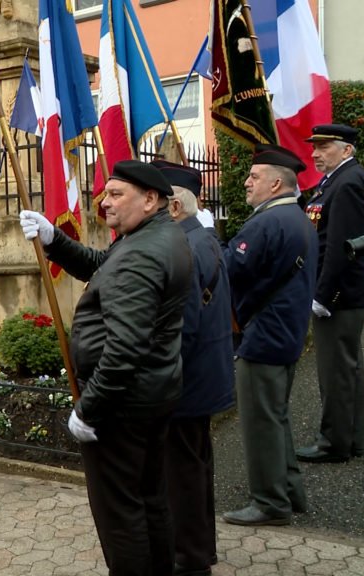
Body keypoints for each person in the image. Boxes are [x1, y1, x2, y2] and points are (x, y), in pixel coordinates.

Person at [20, 160, 192, 576]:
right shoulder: (151, 236)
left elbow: (126, 346)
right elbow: (102, 265)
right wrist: (54, 240)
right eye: (106, 192)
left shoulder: (142, 253)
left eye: (116, 194)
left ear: (150, 199)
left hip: (121, 406)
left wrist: (89, 408)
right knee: (149, 497)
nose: (104, 201)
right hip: (150, 394)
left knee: (121, 512)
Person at [222, 144, 318, 527]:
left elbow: (229, 270)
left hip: (265, 336)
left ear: (276, 183)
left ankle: (270, 503)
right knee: (276, 416)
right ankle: (290, 492)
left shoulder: (266, 222)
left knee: (261, 421)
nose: (246, 182)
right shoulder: (297, 217)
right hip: (286, 333)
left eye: (254, 176)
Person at [153, 160, 235, 576]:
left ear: (173, 207)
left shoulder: (183, 247)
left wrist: (156, 382)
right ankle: (201, 550)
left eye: (154, 201)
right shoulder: (202, 236)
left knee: (183, 474)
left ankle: (189, 558)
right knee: (196, 468)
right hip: (203, 380)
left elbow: (180, 331)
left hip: (184, 384)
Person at [296, 124, 364, 464]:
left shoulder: (348, 183)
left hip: (340, 293)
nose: (315, 153)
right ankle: (350, 439)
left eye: (324, 146)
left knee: (335, 372)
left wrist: (323, 295)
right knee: (347, 370)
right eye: (315, 146)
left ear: (346, 150)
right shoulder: (341, 180)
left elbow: (340, 246)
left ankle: (334, 443)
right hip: (346, 291)